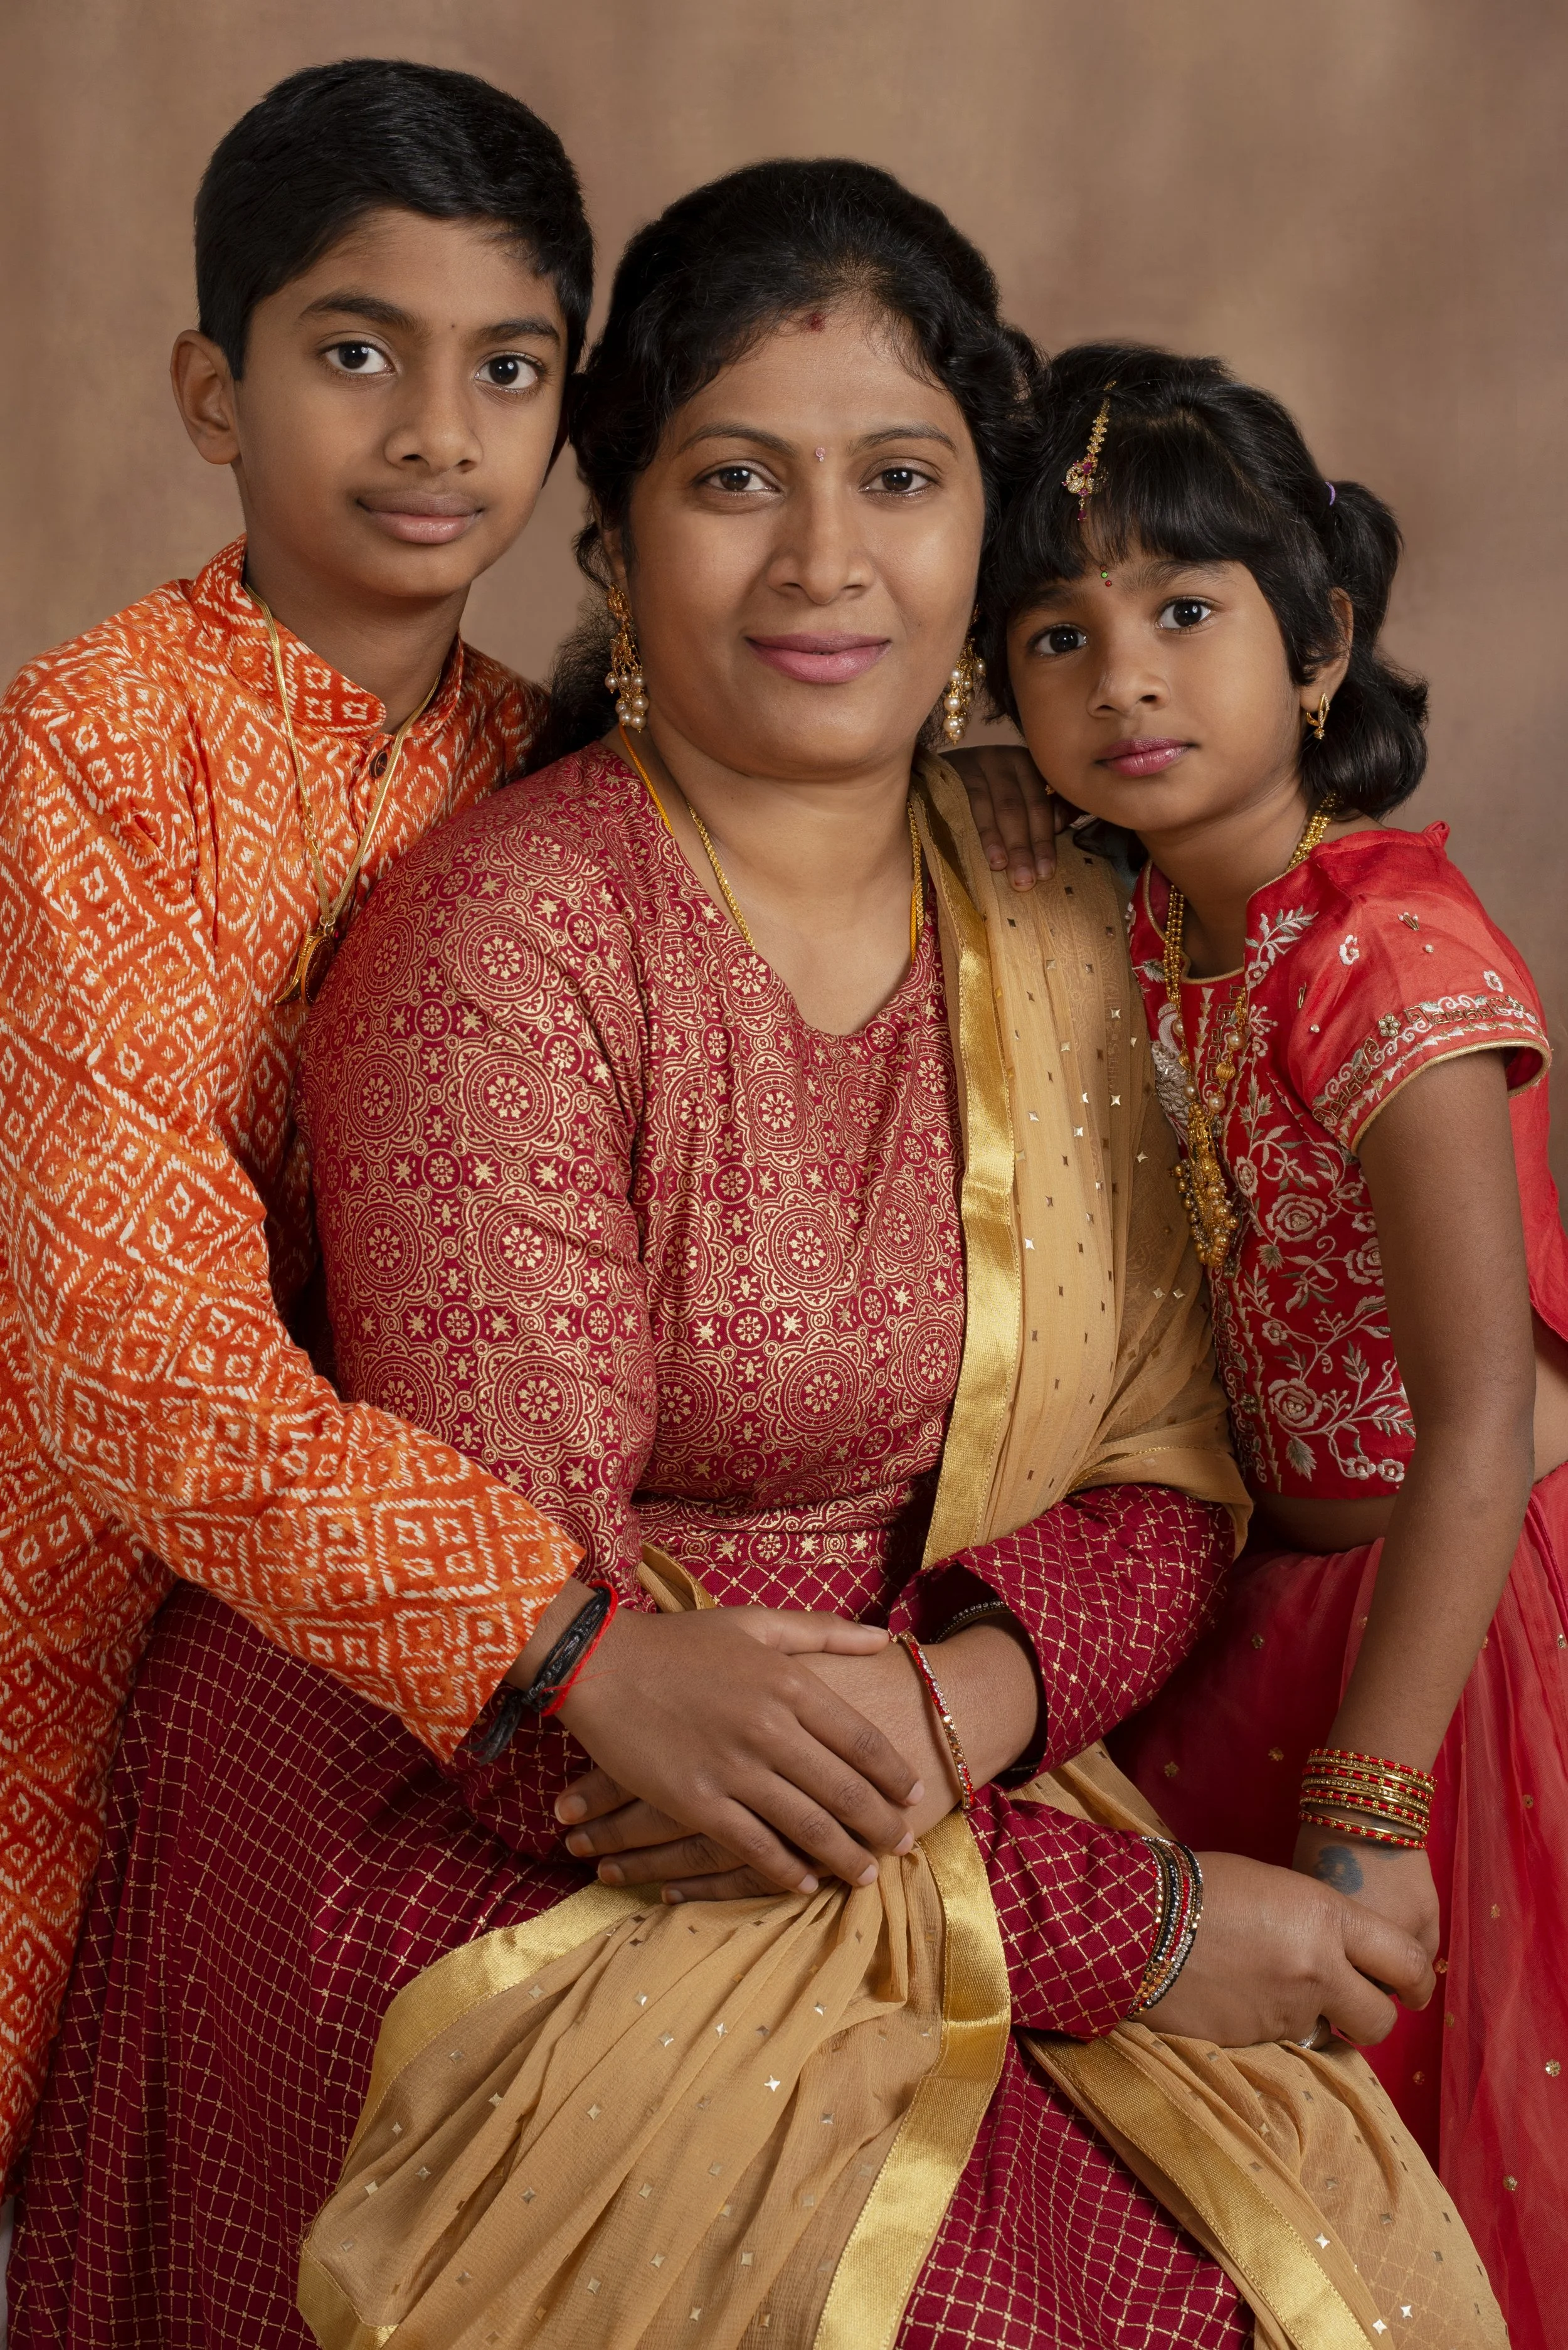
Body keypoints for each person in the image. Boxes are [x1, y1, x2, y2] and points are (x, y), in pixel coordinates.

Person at [12, 169, 1507, 2350]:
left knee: (1310, 2260)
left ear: (980, 527)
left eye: (897, 482)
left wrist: (960, 1697)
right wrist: (1139, 1931)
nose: (825, 565)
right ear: (613, 547)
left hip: (933, 1760)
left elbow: (1169, 1461)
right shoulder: (503, 944)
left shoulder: (1056, 889)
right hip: (480, 1804)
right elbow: (546, 1707)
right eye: (734, 483)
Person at [0, 58, 602, 2196]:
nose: (437, 433)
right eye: (357, 353)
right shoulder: (93, 747)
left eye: (506, 367)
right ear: (210, 389)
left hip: (359, 1661)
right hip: (57, 1611)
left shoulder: (550, 775)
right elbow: (127, 1365)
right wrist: (564, 1642)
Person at [978, 340, 1568, 2346]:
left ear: (1318, 647)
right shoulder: (1141, 927)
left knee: (1456, 2156)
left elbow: (1481, 1419)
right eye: (1055, 634)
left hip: (1459, 1627)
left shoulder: (1383, 952)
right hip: (1260, 1604)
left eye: (1183, 610)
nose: (1120, 675)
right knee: (1256, 2188)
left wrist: (1373, 1801)